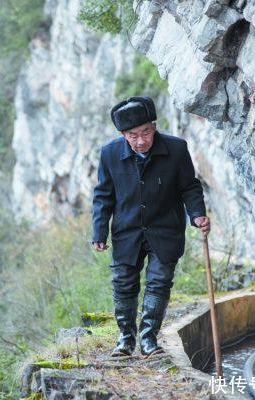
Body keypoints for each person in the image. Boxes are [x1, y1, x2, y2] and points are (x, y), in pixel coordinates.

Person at [91, 96, 211, 357]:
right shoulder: (110, 154)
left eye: (146, 132)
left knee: (158, 283)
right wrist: (99, 232)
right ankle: (125, 339)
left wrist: (198, 214)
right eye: (133, 135)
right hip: (127, 232)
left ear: (154, 127)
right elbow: (103, 195)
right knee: (123, 284)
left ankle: (148, 338)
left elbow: (189, 186)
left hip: (166, 229)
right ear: (123, 134)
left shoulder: (176, 149)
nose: (141, 140)